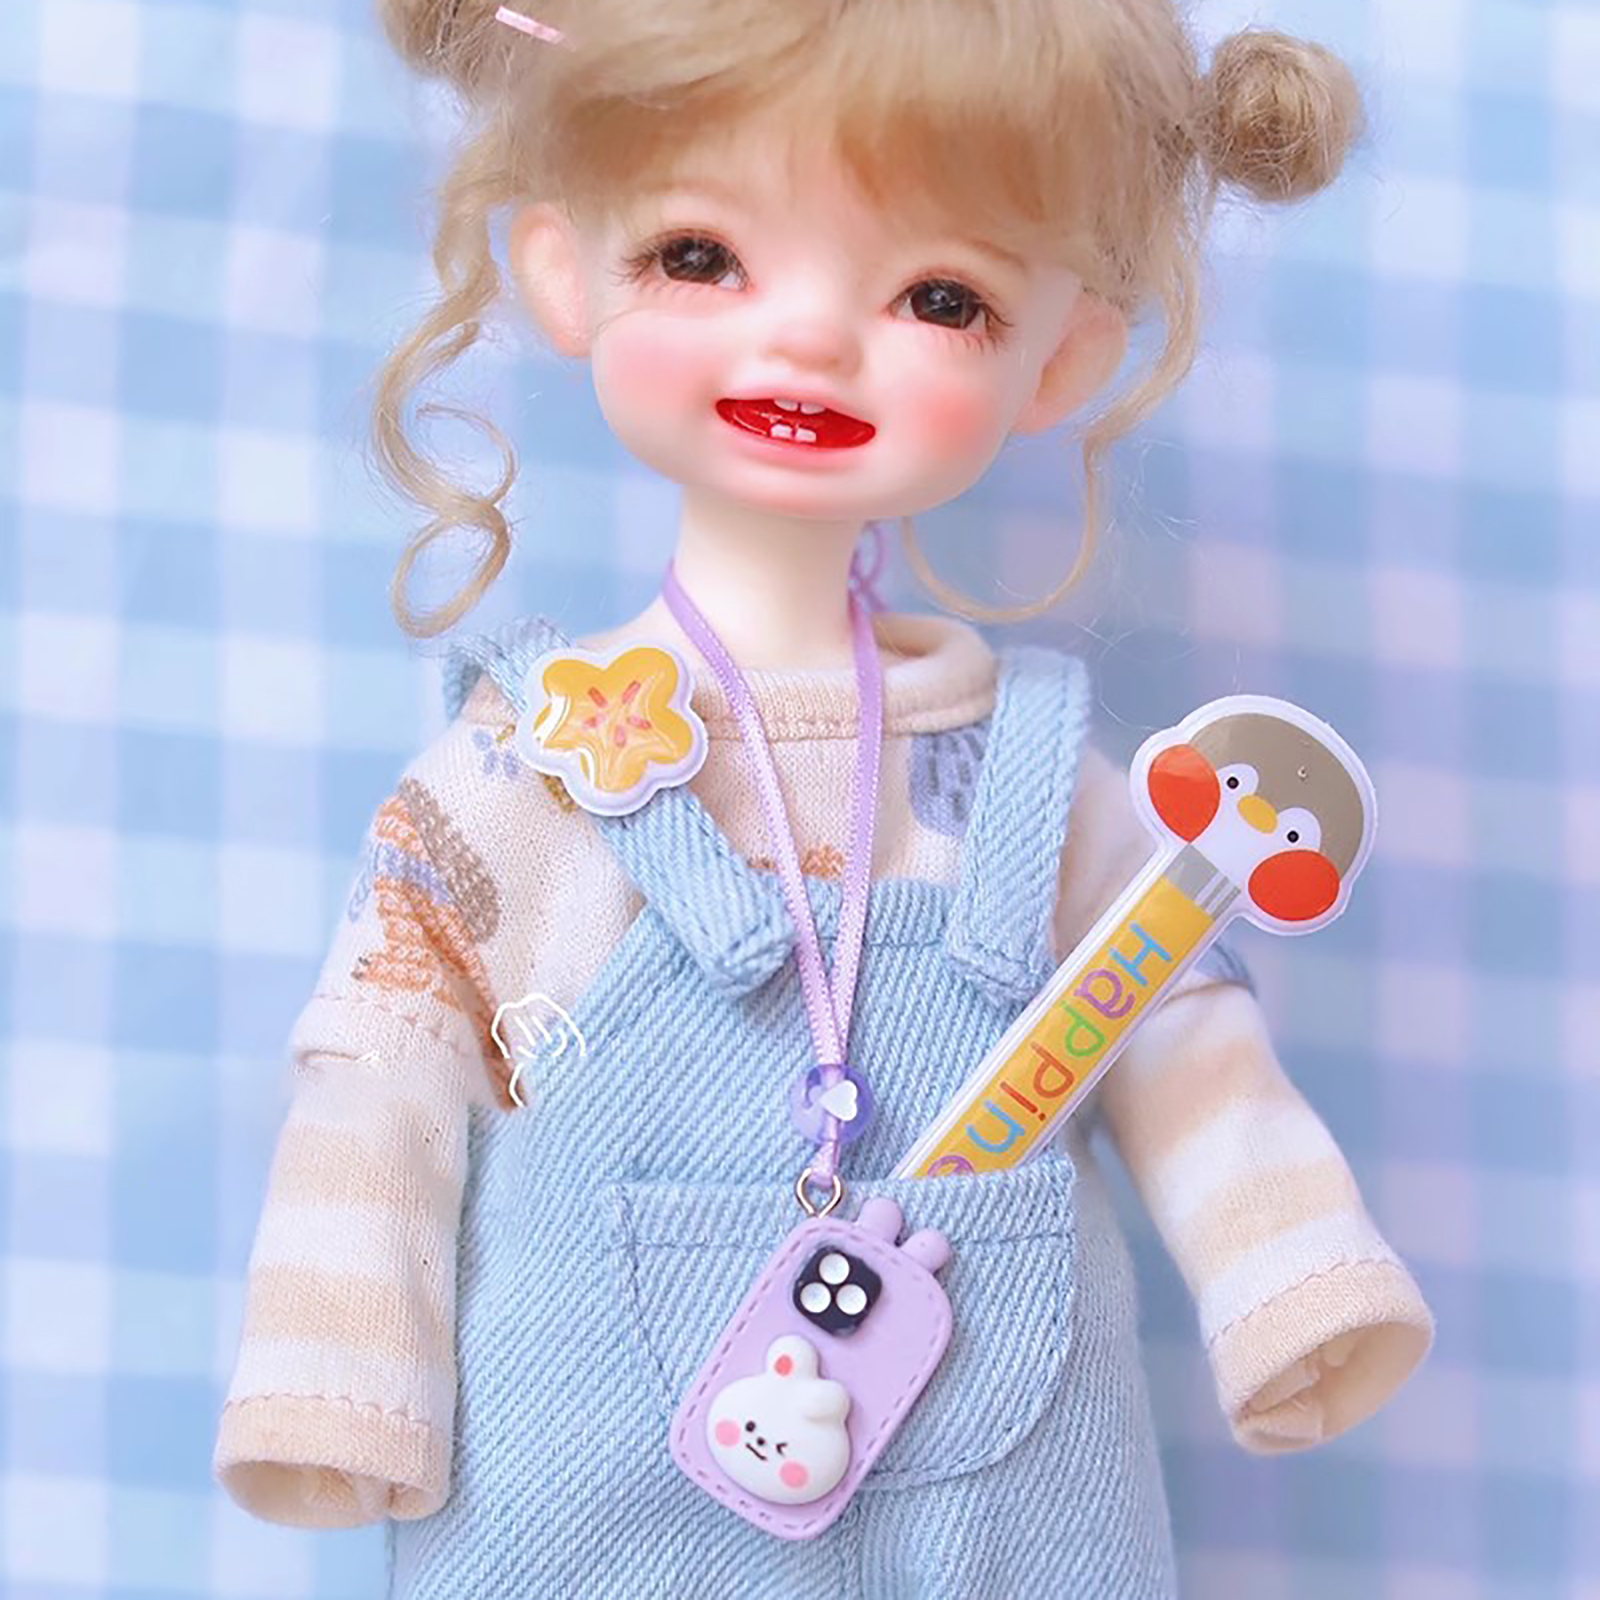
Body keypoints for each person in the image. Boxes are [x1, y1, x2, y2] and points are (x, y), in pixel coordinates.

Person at [214, 1, 1433, 1593]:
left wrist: (1294, 1279)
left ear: (1063, 355)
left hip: (1007, 1508)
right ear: (564, 268)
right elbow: (384, 1065)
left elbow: (1183, 1035)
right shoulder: (523, 774)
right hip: (580, 1499)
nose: (806, 345)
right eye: (701, 256)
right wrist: (338, 1374)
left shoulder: (1028, 779)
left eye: (940, 297)